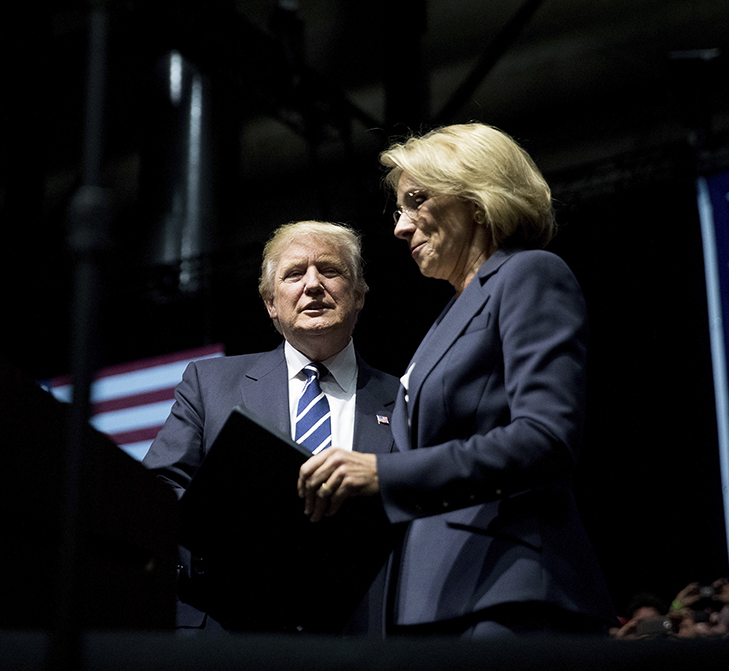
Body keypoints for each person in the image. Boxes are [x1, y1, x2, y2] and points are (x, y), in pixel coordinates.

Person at [298, 122, 616, 638]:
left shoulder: (529, 274)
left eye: (416, 200)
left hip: (507, 590)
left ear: (476, 196)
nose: (401, 227)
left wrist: (383, 473)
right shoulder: (443, 322)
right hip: (431, 600)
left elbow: (546, 438)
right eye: (399, 209)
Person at [143, 220, 400, 635]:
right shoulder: (209, 384)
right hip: (229, 630)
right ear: (270, 302)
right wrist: (226, 550)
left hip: (357, 637)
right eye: (295, 273)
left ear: (359, 296)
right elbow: (158, 489)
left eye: (330, 271)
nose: (313, 284)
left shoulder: (405, 400)